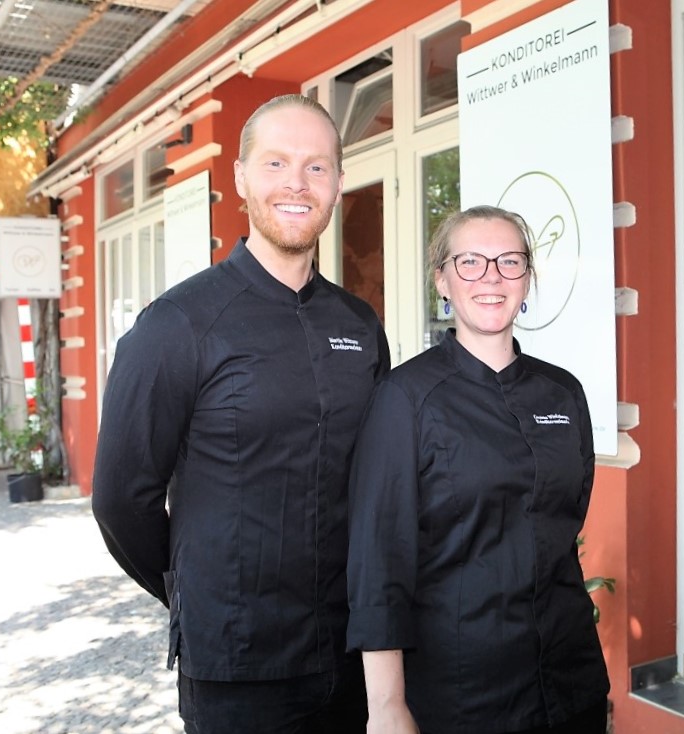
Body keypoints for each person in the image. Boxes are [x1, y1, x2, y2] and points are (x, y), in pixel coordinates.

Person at [92, 94, 389, 734]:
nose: (297, 183)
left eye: (316, 166)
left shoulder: (360, 325)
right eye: (276, 162)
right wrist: (196, 591)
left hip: (351, 654)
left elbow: (375, 479)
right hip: (236, 670)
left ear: (338, 183)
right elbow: (120, 500)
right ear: (240, 178)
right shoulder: (177, 324)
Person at [346, 205, 610, 734]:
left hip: (571, 680)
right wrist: (387, 704)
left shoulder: (563, 392)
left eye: (509, 261)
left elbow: (566, 520)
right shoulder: (405, 398)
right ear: (442, 280)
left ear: (527, 279)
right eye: (469, 261)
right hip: (464, 694)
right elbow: (378, 560)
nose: (491, 276)